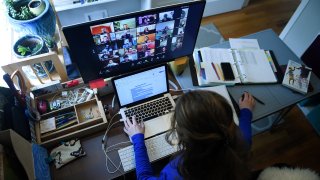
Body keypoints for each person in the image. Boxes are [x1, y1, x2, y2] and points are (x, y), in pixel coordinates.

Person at [124, 91, 255, 179]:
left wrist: (137, 139)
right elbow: (245, 133)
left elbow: (144, 178)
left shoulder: (177, 172)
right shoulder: (240, 143)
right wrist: (246, 111)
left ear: (185, 136)